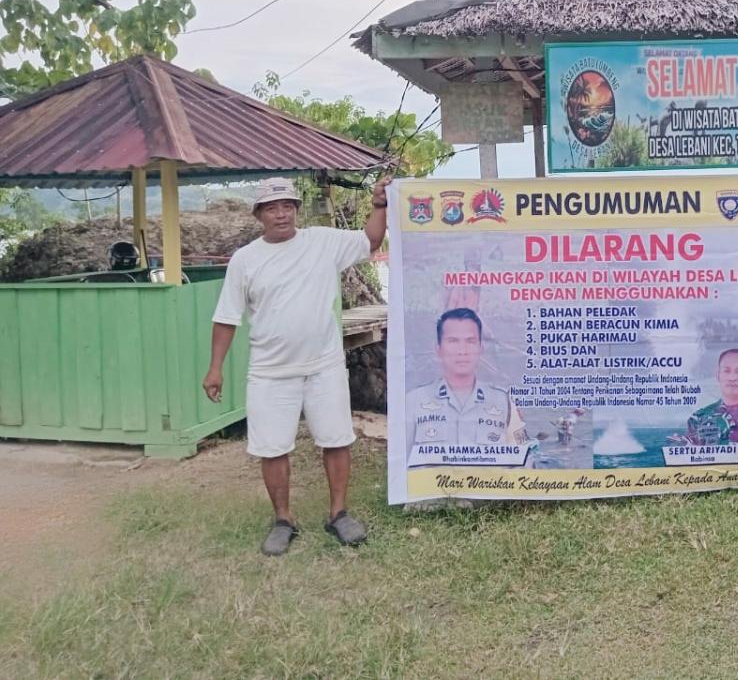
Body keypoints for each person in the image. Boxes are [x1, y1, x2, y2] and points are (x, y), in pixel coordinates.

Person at [202, 175, 389, 555]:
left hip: (324, 366)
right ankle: (283, 519)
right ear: (259, 215)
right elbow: (226, 318)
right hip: (270, 372)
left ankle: (338, 513)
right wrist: (215, 367)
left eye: (287, 205)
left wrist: (380, 205)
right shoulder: (245, 260)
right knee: (272, 448)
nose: (281, 213)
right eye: (272, 207)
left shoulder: (322, 242)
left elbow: (370, 239)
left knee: (336, 440)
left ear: (296, 210)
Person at [404, 308, 527, 452]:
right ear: (438, 348)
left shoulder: (504, 402)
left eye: (470, 341)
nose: (462, 351)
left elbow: (523, 460)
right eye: (453, 341)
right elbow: (401, 463)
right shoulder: (413, 402)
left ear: (481, 348)